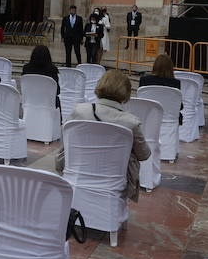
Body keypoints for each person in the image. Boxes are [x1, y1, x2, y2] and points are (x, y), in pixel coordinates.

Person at [58, 69, 152, 202]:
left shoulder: (79, 112)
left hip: (78, 176)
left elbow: (65, 140)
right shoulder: (131, 123)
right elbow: (144, 155)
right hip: (112, 184)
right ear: (126, 93)